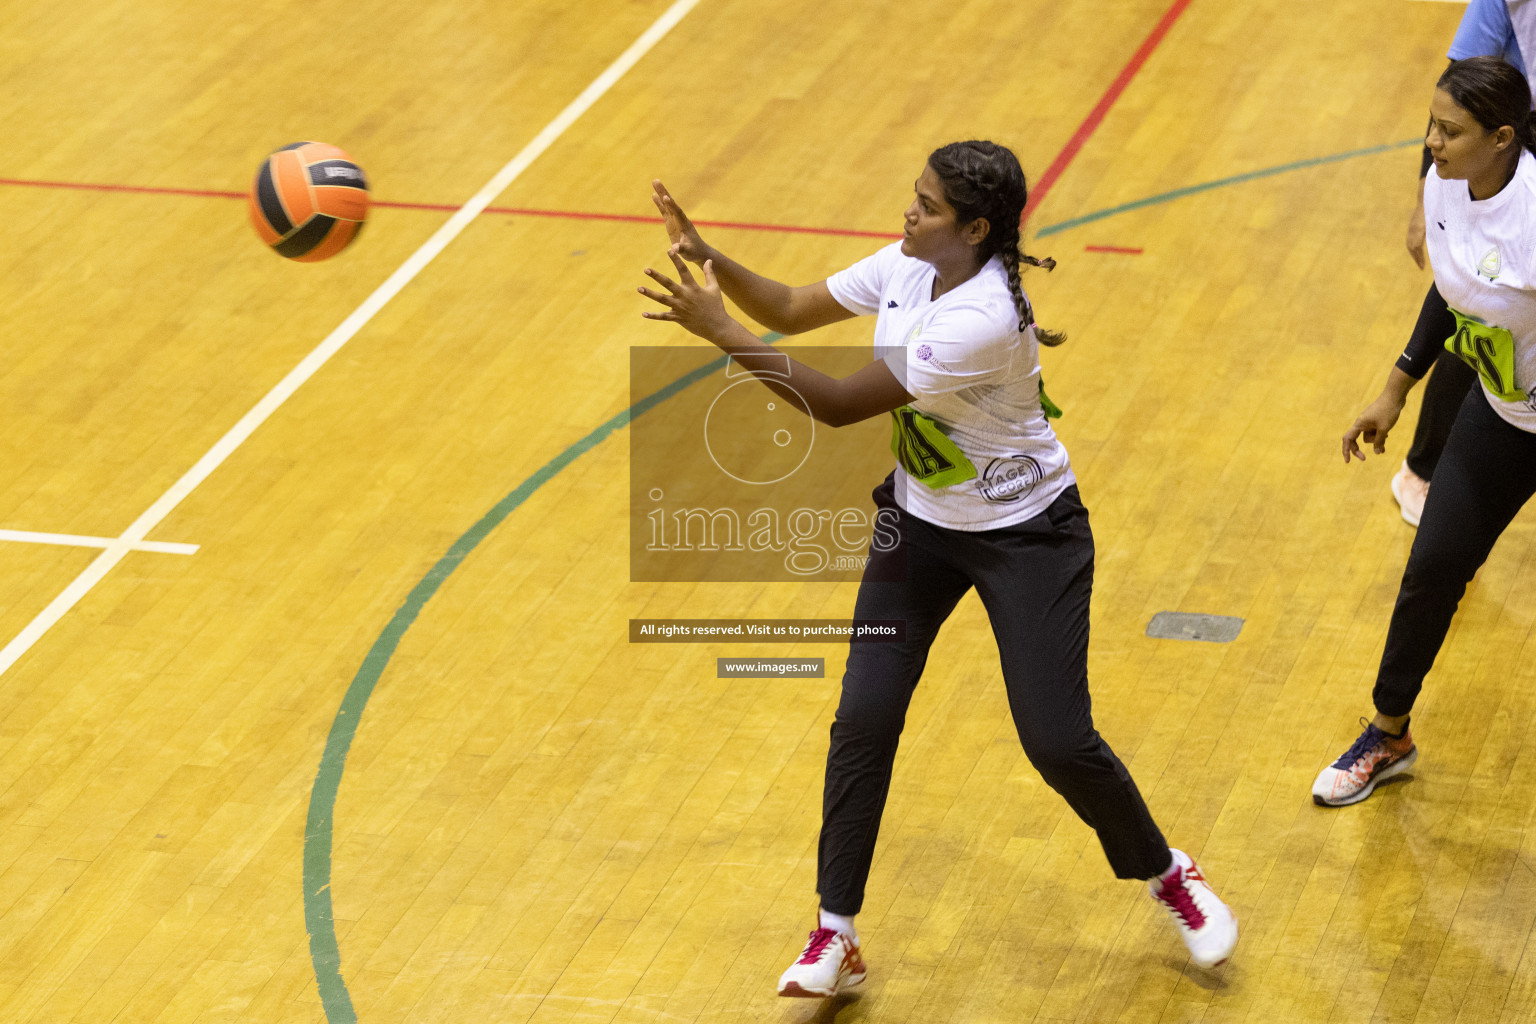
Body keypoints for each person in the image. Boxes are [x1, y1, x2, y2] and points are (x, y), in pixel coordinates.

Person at [637, 140, 1239, 995]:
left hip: (1028, 533)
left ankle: (1166, 872)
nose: (907, 211)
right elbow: (796, 305)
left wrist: (719, 332)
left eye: (925, 204)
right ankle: (835, 936)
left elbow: (842, 406)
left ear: (976, 228)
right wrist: (714, 260)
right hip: (919, 527)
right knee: (863, 719)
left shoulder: (983, 318)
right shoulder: (908, 263)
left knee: (1057, 740)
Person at [1317, 56, 1536, 807]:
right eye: (1430, 126)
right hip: (1505, 416)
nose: (1432, 145)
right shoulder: (1447, 188)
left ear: (1504, 137)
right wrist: (1394, 391)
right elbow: (1453, 293)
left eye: (1451, 131)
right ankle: (1389, 733)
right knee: (1433, 567)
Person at [1395, 0, 1536, 526]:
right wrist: (1422, 201)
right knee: (1480, 307)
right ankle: (1423, 468)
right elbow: (1455, 94)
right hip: (1515, 155)